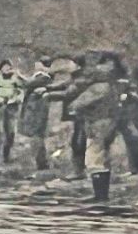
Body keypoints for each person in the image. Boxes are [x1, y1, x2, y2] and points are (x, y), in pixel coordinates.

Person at [46, 50, 128, 202]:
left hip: (99, 122)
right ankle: (101, 194)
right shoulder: (111, 82)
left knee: (94, 159)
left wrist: (72, 105)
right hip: (105, 122)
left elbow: (82, 100)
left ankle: (100, 196)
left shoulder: (101, 85)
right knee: (99, 157)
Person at [18, 58, 57, 171]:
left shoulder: (44, 78)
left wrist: (19, 76)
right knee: (36, 138)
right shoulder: (40, 77)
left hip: (37, 112)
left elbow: (28, 84)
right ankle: (40, 162)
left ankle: (41, 163)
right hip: (34, 111)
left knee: (37, 138)